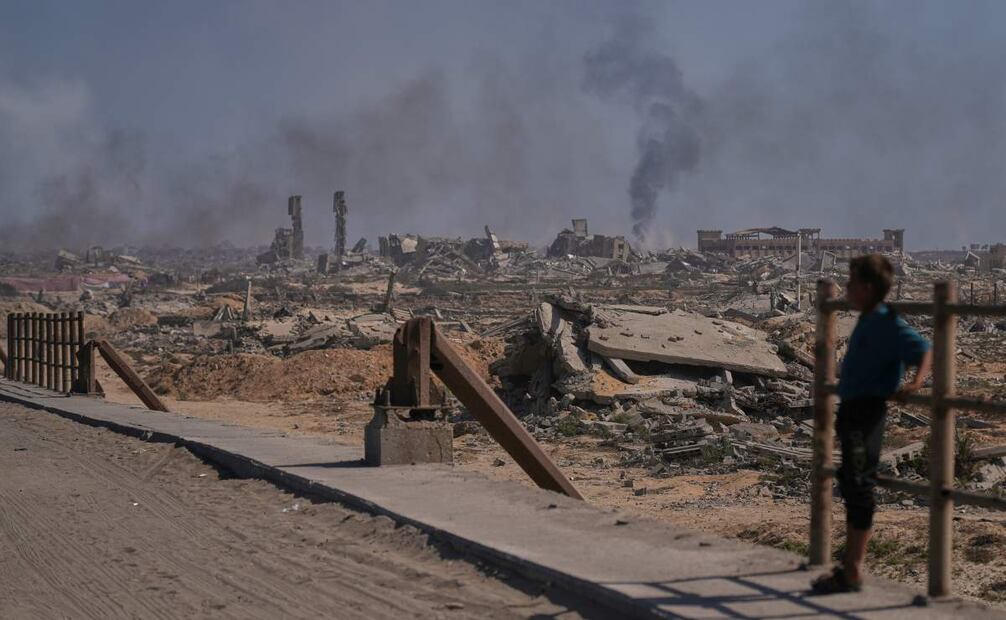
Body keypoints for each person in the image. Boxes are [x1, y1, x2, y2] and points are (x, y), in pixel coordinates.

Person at [812, 254, 932, 594]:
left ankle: (853, 568)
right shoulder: (867, 318)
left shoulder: (885, 321)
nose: (846, 289)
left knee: (860, 486)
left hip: (867, 415)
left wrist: (916, 384)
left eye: (850, 283)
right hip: (852, 413)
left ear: (865, 289)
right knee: (851, 482)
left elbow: (923, 349)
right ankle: (848, 566)